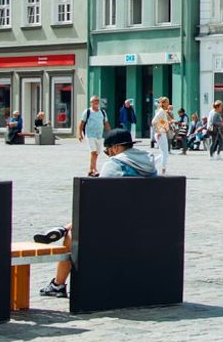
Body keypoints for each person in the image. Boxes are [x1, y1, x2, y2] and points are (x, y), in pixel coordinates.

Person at [38, 128, 157, 298]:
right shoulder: (150, 165)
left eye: (107, 151)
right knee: (80, 222)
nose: (108, 155)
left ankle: (58, 284)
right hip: (145, 222)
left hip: (116, 225)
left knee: (72, 234)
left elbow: (98, 201)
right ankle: (65, 228)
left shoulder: (115, 164)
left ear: (115, 148)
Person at [77, 95, 108, 176]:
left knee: (97, 153)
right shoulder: (87, 112)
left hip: (99, 136)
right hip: (90, 135)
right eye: (94, 101)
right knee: (93, 152)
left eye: (97, 100)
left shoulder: (102, 112)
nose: (96, 102)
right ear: (91, 102)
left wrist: (111, 134)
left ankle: (91, 170)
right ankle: (94, 169)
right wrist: (79, 134)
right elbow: (81, 123)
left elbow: (106, 123)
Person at [150, 97, 174, 175]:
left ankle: (151, 165)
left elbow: (160, 121)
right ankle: (163, 170)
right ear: (163, 103)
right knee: (165, 153)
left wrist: (166, 123)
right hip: (161, 134)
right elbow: (154, 121)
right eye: (167, 102)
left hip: (162, 133)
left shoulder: (162, 111)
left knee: (163, 153)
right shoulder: (161, 111)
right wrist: (158, 131)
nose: (168, 104)